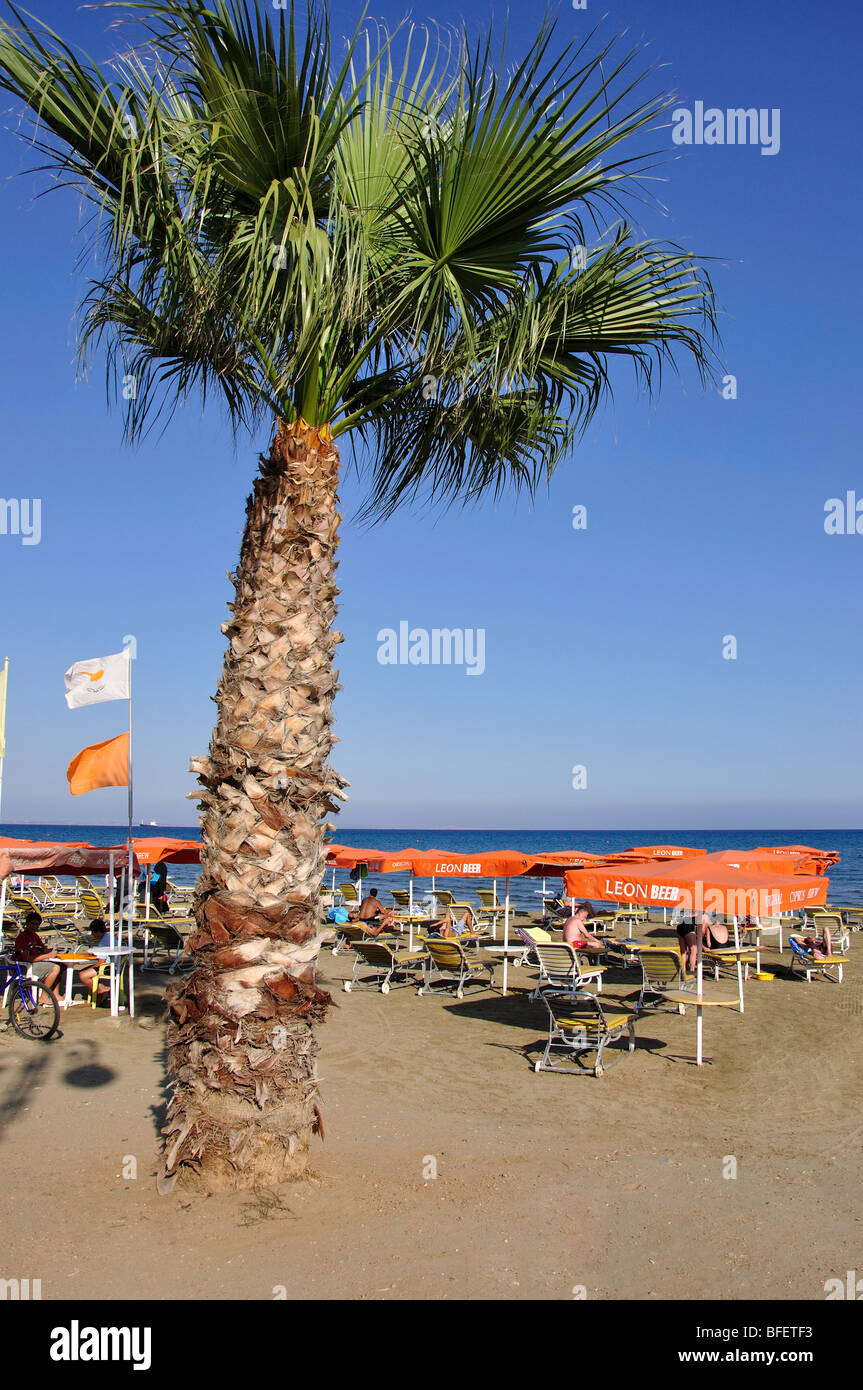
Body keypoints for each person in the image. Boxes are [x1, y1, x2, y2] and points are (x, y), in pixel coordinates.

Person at [13, 911, 63, 1005]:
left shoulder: (34, 936)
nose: (34, 926)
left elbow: (43, 949)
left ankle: (55, 994)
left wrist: (51, 952)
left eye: (37, 924)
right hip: (24, 967)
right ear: (27, 924)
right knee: (56, 968)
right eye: (32, 923)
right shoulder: (23, 937)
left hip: (33, 964)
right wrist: (47, 956)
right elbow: (27, 959)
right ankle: (43, 997)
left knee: (61, 965)